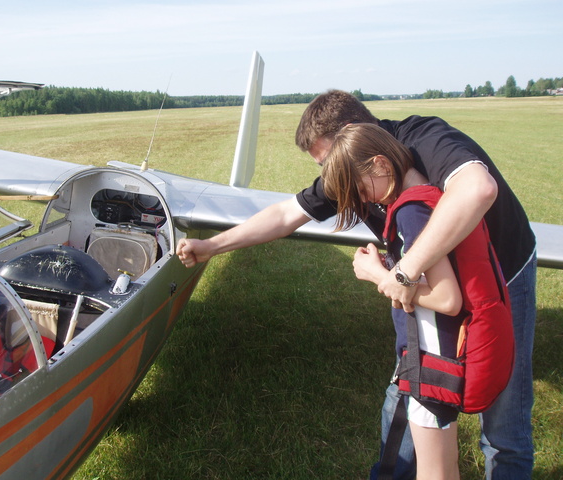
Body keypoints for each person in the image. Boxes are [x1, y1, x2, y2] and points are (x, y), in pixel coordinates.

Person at [176, 90, 537, 479]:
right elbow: (285, 215)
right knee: (414, 396)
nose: (334, 182)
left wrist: (398, 273)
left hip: (500, 276)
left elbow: (477, 189)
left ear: (354, 138)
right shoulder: (359, 171)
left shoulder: (423, 141)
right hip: (431, 296)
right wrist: (211, 245)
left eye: (327, 162)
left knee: (502, 421)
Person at [322, 123, 465, 480]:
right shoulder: (421, 198)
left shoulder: (410, 213)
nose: (363, 200)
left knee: (433, 473)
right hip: (436, 359)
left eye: (359, 188)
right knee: (446, 467)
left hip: (430, 363)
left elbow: (448, 298)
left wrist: (377, 275)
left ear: (382, 165)